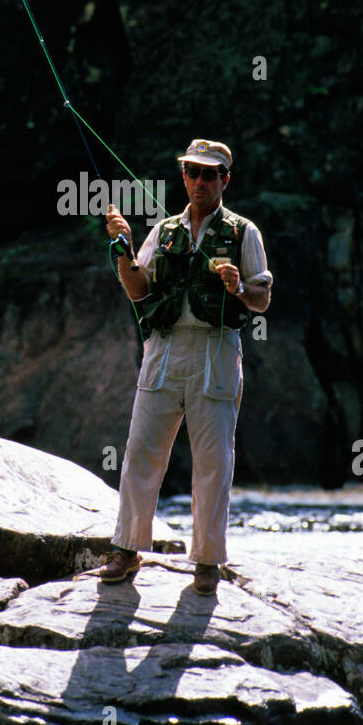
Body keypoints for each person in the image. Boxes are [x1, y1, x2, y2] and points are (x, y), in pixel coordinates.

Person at [98, 139, 272, 596]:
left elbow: (262, 299)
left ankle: (208, 560)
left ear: (224, 181)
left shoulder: (243, 233)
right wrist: (124, 248)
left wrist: (238, 289)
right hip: (164, 349)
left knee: (214, 461)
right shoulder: (165, 230)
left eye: (209, 174)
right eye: (192, 172)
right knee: (140, 452)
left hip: (216, 351)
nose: (199, 181)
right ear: (184, 177)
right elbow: (139, 289)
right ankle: (126, 549)